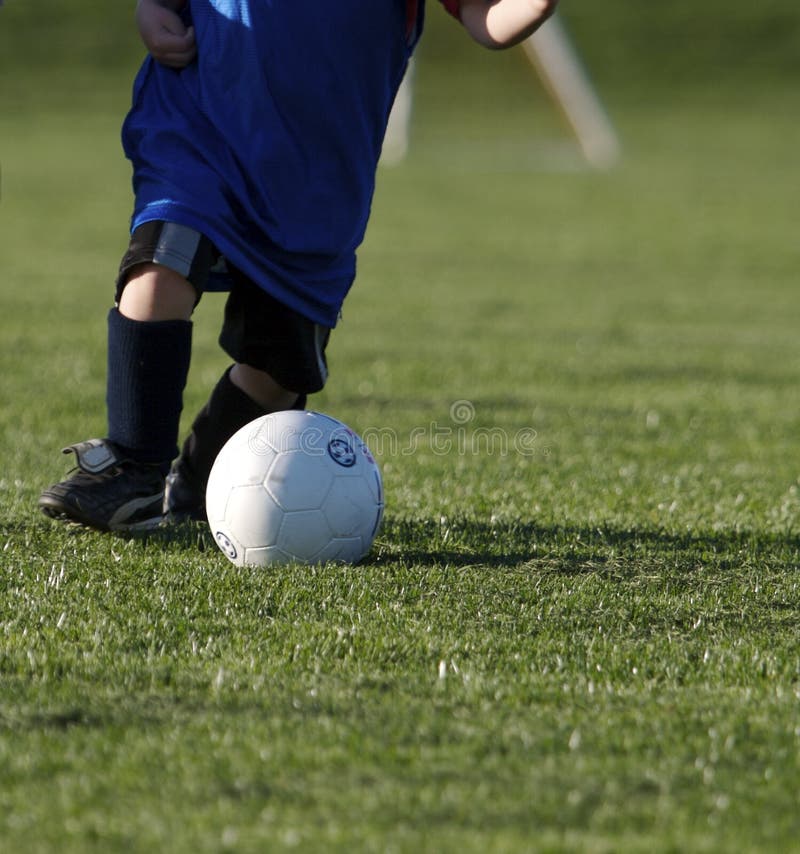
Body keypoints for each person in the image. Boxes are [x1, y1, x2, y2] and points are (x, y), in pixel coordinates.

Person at [39, 0, 558, 532]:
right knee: (160, 265)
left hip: (317, 175)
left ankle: (202, 485)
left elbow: (486, 19)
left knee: (278, 369)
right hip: (201, 120)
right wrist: (153, 9)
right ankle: (133, 465)